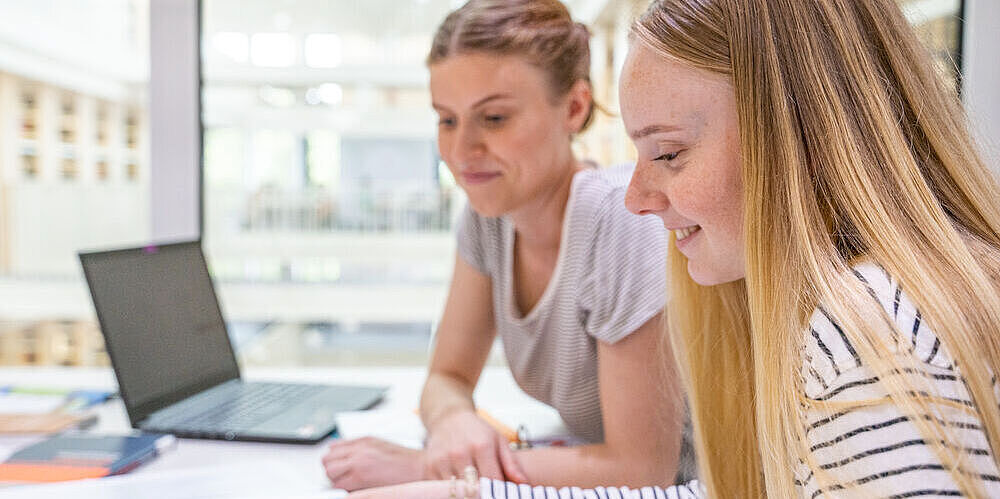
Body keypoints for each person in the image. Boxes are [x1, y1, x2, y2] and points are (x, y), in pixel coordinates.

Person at [343, 0, 1000, 497]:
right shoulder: (843, 308)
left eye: (669, 153)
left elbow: (643, 465)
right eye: (445, 119)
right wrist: (464, 467)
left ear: (795, 136)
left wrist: (454, 478)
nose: (639, 197)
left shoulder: (865, 332)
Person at [321, 0, 691, 492]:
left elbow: (643, 469)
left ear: (574, 108)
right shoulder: (487, 219)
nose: (461, 151)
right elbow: (446, 377)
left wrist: (426, 468)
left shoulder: (622, 222)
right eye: (447, 120)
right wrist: (453, 421)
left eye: (493, 118)